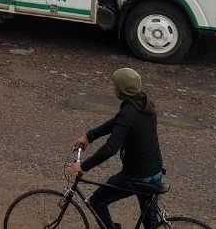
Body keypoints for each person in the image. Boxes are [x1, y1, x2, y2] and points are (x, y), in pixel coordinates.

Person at [68, 68, 164, 229]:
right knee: (150, 222)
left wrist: (83, 166)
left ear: (121, 90)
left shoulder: (128, 113)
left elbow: (111, 148)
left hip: (136, 176)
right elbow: (116, 123)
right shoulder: (145, 105)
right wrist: (89, 136)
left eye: (116, 87)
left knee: (97, 201)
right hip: (154, 172)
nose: (114, 89)